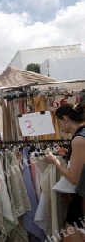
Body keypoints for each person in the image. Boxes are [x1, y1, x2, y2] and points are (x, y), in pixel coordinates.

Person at [46, 103, 85, 242]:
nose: (60, 127)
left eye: (59, 122)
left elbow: (75, 179)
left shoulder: (79, 139)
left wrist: (55, 162)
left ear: (65, 119)